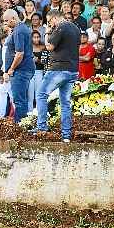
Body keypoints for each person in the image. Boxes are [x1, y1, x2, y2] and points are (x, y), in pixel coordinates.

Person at [35, 10, 80, 143]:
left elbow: (49, 46)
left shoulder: (61, 26)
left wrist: (48, 31)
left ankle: (41, 128)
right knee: (65, 102)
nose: (50, 24)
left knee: (41, 94)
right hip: (73, 70)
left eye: (50, 21)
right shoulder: (75, 27)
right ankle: (66, 135)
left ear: (55, 18)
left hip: (59, 69)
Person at [2, 9, 35, 123]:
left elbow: (20, 53)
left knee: (19, 100)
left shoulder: (19, 31)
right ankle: (22, 124)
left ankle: (20, 126)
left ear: (14, 18)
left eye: (7, 20)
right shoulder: (20, 28)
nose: (5, 23)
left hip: (21, 70)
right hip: (24, 69)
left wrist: (11, 68)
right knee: (21, 99)